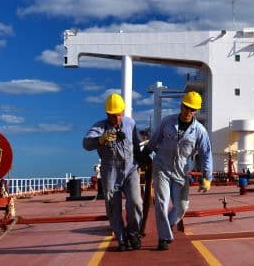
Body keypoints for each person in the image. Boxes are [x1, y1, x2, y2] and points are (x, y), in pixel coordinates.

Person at [147, 91, 212, 251]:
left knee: (182, 207)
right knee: (161, 204)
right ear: (181, 105)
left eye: (192, 109)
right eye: (186, 107)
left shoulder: (199, 131)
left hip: (181, 172)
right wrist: (145, 157)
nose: (188, 111)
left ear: (196, 111)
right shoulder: (167, 122)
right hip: (162, 167)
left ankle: (167, 226)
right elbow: (153, 141)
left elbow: (206, 154)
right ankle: (164, 237)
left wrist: (207, 177)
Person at [83, 93, 143, 251]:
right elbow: (86, 144)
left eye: (118, 114)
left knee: (136, 202)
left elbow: (137, 144)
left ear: (123, 112)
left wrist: (144, 160)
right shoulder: (100, 127)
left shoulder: (130, 123)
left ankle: (133, 234)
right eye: (112, 115)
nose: (116, 118)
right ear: (106, 114)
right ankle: (121, 239)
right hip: (111, 171)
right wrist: (100, 140)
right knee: (113, 206)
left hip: (130, 169)